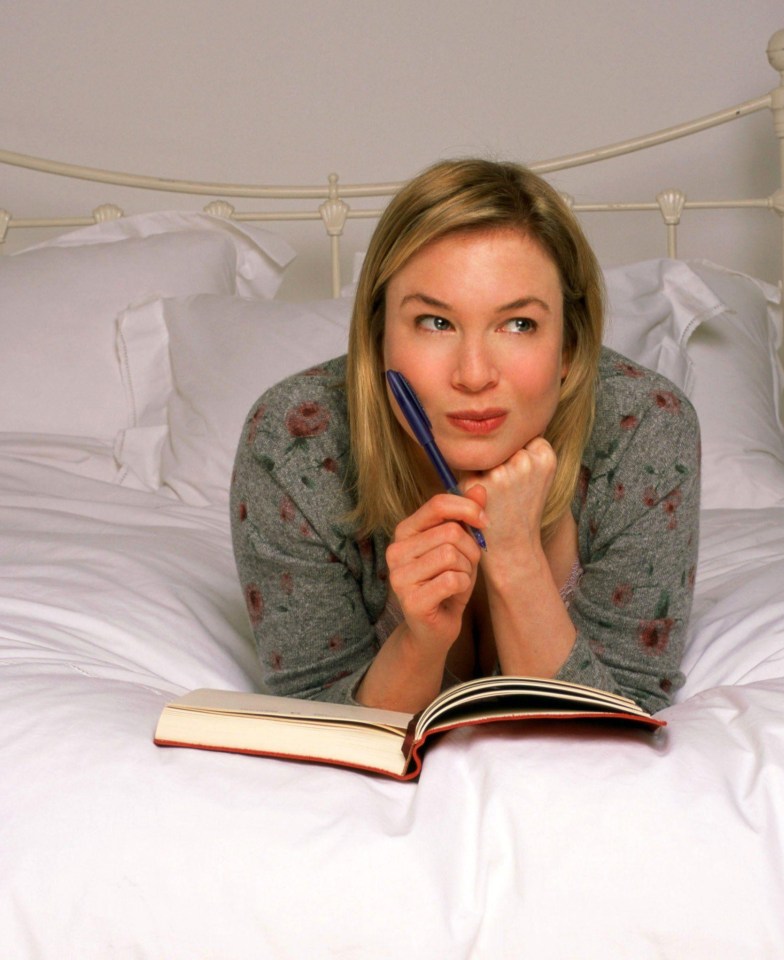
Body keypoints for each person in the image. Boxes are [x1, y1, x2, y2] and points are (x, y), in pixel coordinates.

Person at [230, 158, 699, 716]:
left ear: (571, 347)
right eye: (435, 322)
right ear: (377, 335)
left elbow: (622, 717)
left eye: (518, 324)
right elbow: (314, 718)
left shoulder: (645, 428)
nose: (474, 375)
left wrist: (517, 560)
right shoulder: (293, 446)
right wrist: (419, 641)